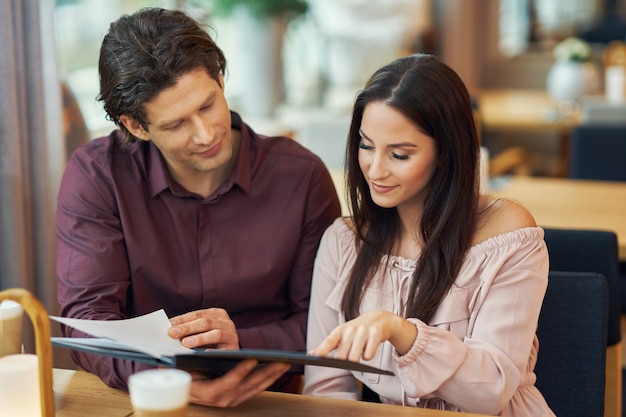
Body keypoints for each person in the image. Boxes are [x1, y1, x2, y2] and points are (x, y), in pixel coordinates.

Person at [55, 7, 341, 407]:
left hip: (272, 401)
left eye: (208, 105)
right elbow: (87, 323)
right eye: (176, 124)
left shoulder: (301, 177)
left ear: (221, 80)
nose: (205, 134)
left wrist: (243, 339)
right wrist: (169, 382)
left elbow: (326, 323)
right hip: (149, 400)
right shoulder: (98, 177)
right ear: (136, 127)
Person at [303, 54, 555, 416]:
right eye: (365, 145)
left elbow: (492, 390)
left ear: (446, 153)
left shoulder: (508, 234)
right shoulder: (344, 242)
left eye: (399, 155)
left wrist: (403, 333)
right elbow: (327, 385)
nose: (375, 170)